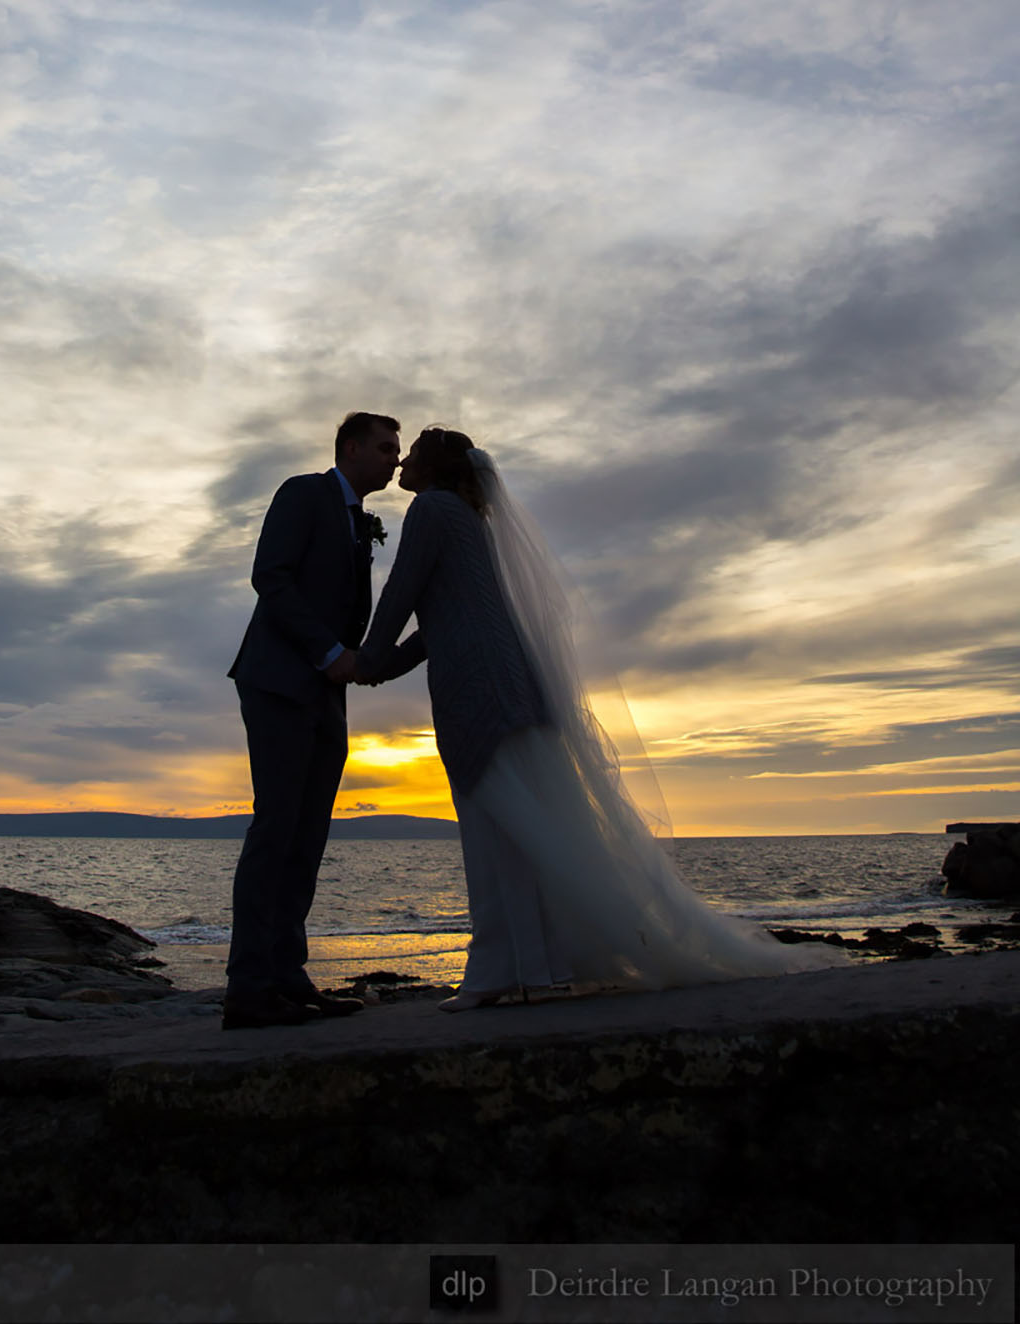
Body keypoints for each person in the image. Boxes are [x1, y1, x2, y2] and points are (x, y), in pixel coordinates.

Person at [354, 427, 844, 1011]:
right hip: (511, 684)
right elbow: (441, 620)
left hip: (476, 689)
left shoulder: (430, 508)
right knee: (522, 828)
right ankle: (539, 967)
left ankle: (498, 971)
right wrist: (380, 667)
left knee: (492, 832)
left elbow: (403, 595)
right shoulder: (470, 520)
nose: (402, 460)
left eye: (411, 452)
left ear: (433, 467)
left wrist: (365, 660)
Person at [225, 411, 401, 1029]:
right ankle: (248, 989)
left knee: (309, 834)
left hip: (327, 692)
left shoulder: (360, 521)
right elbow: (269, 576)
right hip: (279, 679)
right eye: (384, 448)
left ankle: (287, 975)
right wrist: (328, 654)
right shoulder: (303, 493)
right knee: (277, 826)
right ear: (350, 447)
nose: (394, 459)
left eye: (397, 450)